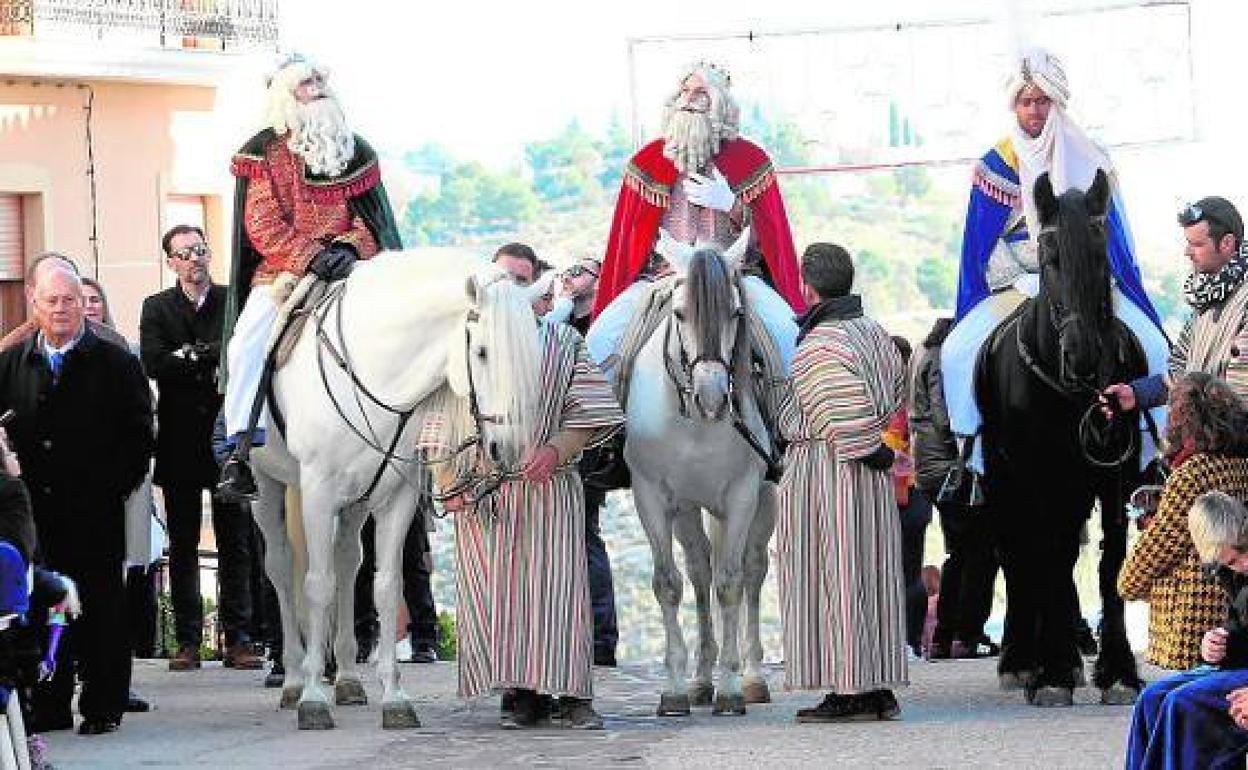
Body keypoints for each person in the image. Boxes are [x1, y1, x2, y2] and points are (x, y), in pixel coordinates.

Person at [943, 46, 1167, 476]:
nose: (1034, 110)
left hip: (1086, 282)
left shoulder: (1090, 156)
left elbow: (1115, 235)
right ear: (1014, 106)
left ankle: (1150, 454)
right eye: (1026, 102)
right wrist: (1028, 269)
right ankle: (969, 462)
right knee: (956, 351)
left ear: (1057, 102)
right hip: (1018, 282)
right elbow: (979, 245)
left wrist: (1085, 270)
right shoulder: (995, 164)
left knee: (1155, 344)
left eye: (1042, 100)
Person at [430, 300, 624, 729]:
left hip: (551, 488)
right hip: (486, 492)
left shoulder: (565, 341)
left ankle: (575, 694)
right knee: (503, 598)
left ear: (543, 295)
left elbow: (591, 412)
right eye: (505, 280)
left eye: (522, 280)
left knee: (562, 594)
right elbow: (439, 418)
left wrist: (557, 449)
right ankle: (522, 694)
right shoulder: (464, 340)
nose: (512, 293)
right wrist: (445, 482)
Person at [218, 53, 401, 500]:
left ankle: (412, 439)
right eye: (305, 83)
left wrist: (349, 247)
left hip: (351, 267)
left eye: (320, 79)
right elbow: (261, 224)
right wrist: (307, 257)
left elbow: (373, 221)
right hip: (283, 273)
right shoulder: (262, 151)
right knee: (246, 343)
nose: (316, 88)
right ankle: (240, 445)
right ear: (286, 94)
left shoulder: (356, 151)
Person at [0, 259, 153, 735]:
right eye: (52, 300)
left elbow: (139, 437)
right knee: (43, 607)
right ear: (33, 302)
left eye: (70, 300)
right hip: (35, 514)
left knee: (101, 608)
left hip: (94, 508)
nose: (62, 309)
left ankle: (104, 705)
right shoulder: (10, 363)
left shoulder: (117, 362)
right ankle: (48, 702)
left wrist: (111, 486)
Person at [587, 61, 803, 374]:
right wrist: (658, 245)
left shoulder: (750, 161)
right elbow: (629, 243)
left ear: (720, 103)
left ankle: (792, 418)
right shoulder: (647, 162)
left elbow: (771, 243)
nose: (689, 99)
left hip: (735, 276)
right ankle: (607, 422)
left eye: (701, 92)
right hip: (664, 277)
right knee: (598, 340)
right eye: (685, 91)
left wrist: (732, 205)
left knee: (790, 335)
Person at [777, 243, 908, 722]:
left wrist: (870, 451)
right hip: (868, 472)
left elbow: (840, 413)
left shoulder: (819, 344)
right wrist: (881, 449)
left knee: (836, 575)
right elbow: (896, 390)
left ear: (807, 287)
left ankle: (850, 689)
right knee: (869, 576)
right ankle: (876, 686)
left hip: (830, 469)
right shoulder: (875, 333)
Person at [141, 225, 263, 671]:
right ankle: (188, 640)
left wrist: (188, 355)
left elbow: (243, 351)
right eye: (185, 253)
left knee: (236, 541)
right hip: (177, 441)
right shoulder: (156, 307)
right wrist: (208, 356)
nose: (195, 258)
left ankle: (240, 638)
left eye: (200, 249)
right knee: (184, 543)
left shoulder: (234, 300)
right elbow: (153, 362)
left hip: (225, 435)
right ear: (170, 261)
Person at [1118, 373, 1248, 670]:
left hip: (1192, 612)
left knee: (1182, 699)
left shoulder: (1192, 474)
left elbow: (1161, 544)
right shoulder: (1242, 463)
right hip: (1232, 603)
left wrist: (1128, 583)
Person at [1125, 490, 1248, 768]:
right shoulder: (1232, 573)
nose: (1244, 565)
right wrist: (1217, 645)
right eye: (1231, 562)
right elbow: (1239, 627)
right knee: (1151, 698)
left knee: (1183, 704)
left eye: (1242, 551)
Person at [1106, 198, 1248, 414]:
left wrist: (1196, 438)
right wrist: (1136, 394)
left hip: (1226, 442)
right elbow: (1180, 373)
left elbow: (1240, 397)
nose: (1187, 252)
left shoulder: (1243, 302)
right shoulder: (1206, 298)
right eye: (1188, 242)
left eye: (1197, 244)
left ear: (1227, 244)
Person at [911, 317, 1000, 658]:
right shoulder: (941, 359)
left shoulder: (923, 352)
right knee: (980, 551)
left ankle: (946, 635)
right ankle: (965, 632)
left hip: (930, 467)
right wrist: (972, 442)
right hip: (950, 468)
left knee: (961, 551)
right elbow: (944, 413)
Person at [883, 335, 931, 658]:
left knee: (895, 573)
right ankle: (910, 641)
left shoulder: (882, 401)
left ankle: (900, 641)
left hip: (893, 496)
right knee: (911, 572)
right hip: (918, 494)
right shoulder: (916, 396)